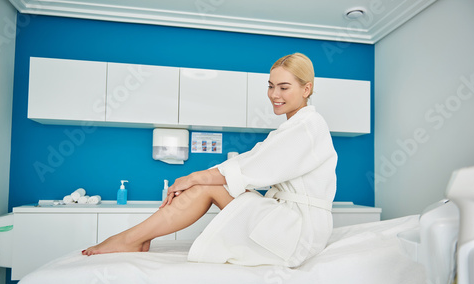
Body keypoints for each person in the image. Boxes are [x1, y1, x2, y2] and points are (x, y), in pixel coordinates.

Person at [83, 53, 337, 267]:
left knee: (206, 185)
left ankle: (130, 239)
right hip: (288, 221)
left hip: (298, 233)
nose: (274, 94)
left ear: (307, 89)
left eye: (284, 87)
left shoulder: (307, 126)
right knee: (207, 184)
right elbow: (255, 161)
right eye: (270, 86)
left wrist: (192, 177)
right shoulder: (296, 127)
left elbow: (256, 165)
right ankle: (135, 238)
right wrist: (195, 180)